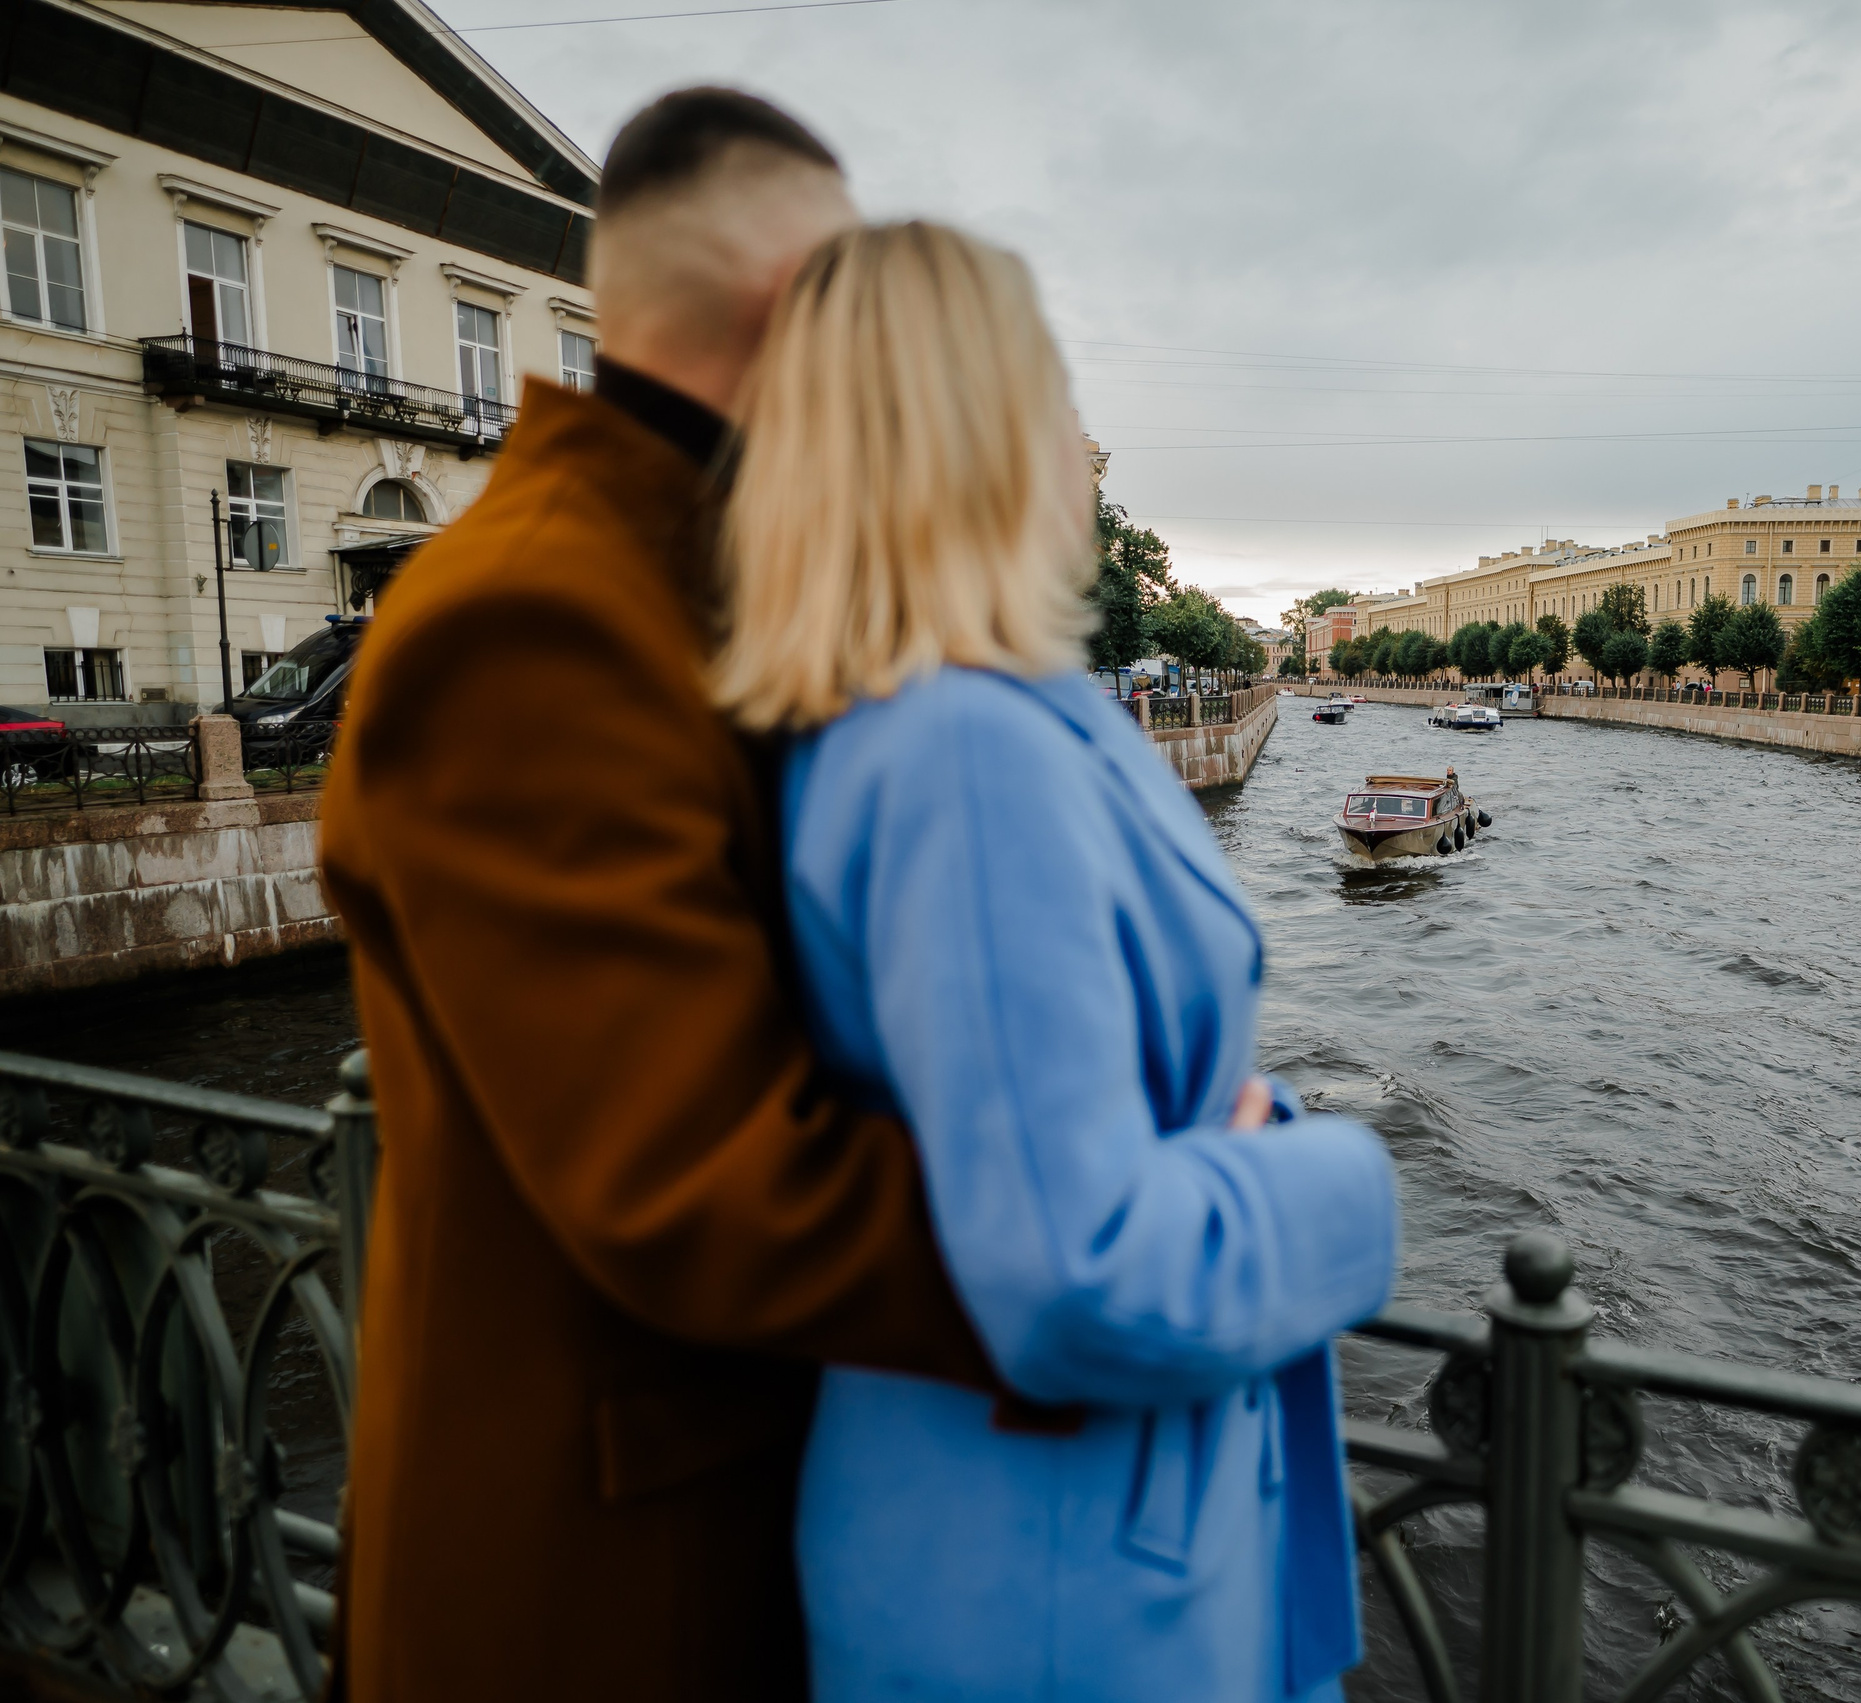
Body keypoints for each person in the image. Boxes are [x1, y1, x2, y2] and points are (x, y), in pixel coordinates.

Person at [321, 93, 1020, 1702]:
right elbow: (704, 1191)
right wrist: (1134, 1240)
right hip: (606, 1592)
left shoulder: (667, 574)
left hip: (698, 1528)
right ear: (796, 316)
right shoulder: (536, 617)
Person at [710, 222, 1401, 1701]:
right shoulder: (967, 751)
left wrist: (1220, 1131)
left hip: (1028, 1520)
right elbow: (1076, 1276)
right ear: (993, 434)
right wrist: (1332, 1178)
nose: (1085, 446)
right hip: (1055, 1574)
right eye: (1054, 396)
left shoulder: (931, 712)